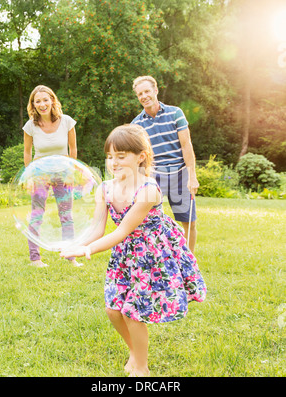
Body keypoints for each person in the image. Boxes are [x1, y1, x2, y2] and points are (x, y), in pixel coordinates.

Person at [60, 124, 206, 377]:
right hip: (125, 256)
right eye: (109, 156)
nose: (113, 162)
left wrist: (87, 251)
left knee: (133, 313)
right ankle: (136, 352)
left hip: (152, 256)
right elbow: (97, 228)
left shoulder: (148, 190)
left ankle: (141, 366)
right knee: (113, 310)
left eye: (121, 156)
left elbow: (121, 231)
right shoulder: (105, 188)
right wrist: (79, 244)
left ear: (140, 156)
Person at [131, 76, 199, 253]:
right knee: (146, 220)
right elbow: (139, 156)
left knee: (188, 221)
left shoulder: (175, 113)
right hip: (154, 176)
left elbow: (186, 146)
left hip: (180, 173)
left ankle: (189, 260)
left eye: (147, 91)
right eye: (140, 94)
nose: (144, 96)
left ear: (155, 90)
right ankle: (152, 257)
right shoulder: (136, 124)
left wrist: (192, 177)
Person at [23, 85, 81, 268]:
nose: (42, 104)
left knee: (66, 215)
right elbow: (27, 153)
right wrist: (29, 176)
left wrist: (71, 172)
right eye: (37, 101)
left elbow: (73, 149)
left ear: (52, 100)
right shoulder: (30, 126)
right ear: (33, 104)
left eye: (45, 100)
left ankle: (71, 257)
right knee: (37, 215)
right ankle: (35, 258)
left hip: (63, 174)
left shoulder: (67, 122)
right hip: (40, 174)